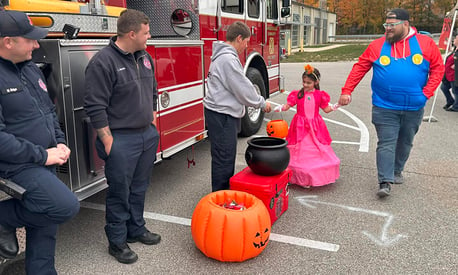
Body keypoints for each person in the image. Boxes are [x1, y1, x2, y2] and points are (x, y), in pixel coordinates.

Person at [0, 10, 80, 274]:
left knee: (45, 229)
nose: (36, 45)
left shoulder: (31, 69)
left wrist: (59, 142)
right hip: (18, 164)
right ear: (7, 41)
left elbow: (48, 111)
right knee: (64, 206)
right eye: (30, 39)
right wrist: (42, 155)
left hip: (44, 158)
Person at [338, 8, 445, 198]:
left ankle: (396, 170)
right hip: (384, 106)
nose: (387, 28)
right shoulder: (377, 45)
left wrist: (425, 94)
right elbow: (359, 68)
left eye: (391, 25)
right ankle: (385, 181)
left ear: (405, 24)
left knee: (405, 142)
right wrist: (347, 91)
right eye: (385, 25)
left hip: (414, 107)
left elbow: (438, 69)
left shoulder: (425, 43)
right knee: (386, 142)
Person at [84, 9, 160, 264]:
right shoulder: (102, 62)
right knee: (119, 192)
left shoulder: (145, 57)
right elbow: (95, 106)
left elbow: (152, 90)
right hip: (120, 140)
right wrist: (108, 141)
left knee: (139, 187)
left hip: (146, 136)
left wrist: (153, 122)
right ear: (131, 33)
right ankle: (117, 242)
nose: (149, 36)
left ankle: (136, 229)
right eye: (146, 33)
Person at [204, 21, 272, 192]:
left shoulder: (222, 56)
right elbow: (243, 89)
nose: (246, 45)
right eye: (246, 41)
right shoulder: (228, 59)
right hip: (223, 115)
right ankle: (221, 198)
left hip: (218, 113)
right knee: (224, 158)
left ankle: (221, 194)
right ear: (239, 38)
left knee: (222, 156)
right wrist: (262, 103)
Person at [276, 64, 340, 188]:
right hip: (299, 126)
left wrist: (335, 106)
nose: (305, 85)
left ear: (316, 82)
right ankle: (298, 176)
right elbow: (288, 105)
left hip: (315, 127)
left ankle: (312, 177)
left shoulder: (320, 95)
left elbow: (326, 109)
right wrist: (281, 107)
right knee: (299, 150)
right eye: (304, 82)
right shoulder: (297, 94)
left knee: (316, 148)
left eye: (308, 83)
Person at [440, 34, 458, 112]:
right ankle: (450, 101)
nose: (454, 40)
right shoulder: (455, 49)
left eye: (456, 38)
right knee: (443, 87)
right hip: (448, 75)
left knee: (455, 91)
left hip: (455, 76)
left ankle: (456, 106)